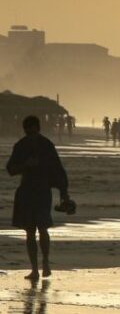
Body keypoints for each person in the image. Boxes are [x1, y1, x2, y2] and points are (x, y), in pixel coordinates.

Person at [6, 115, 71, 282]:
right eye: (30, 129)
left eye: (32, 129)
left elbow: (57, 169)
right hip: (33, 192)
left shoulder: (39, 145)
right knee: (35, 230)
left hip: (36, 192)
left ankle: (42, 265)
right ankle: (38, 267)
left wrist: (64, 193)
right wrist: (26, 165)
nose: (32, 132)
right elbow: (11, 169)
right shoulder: (29, 145)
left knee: (38, 230)